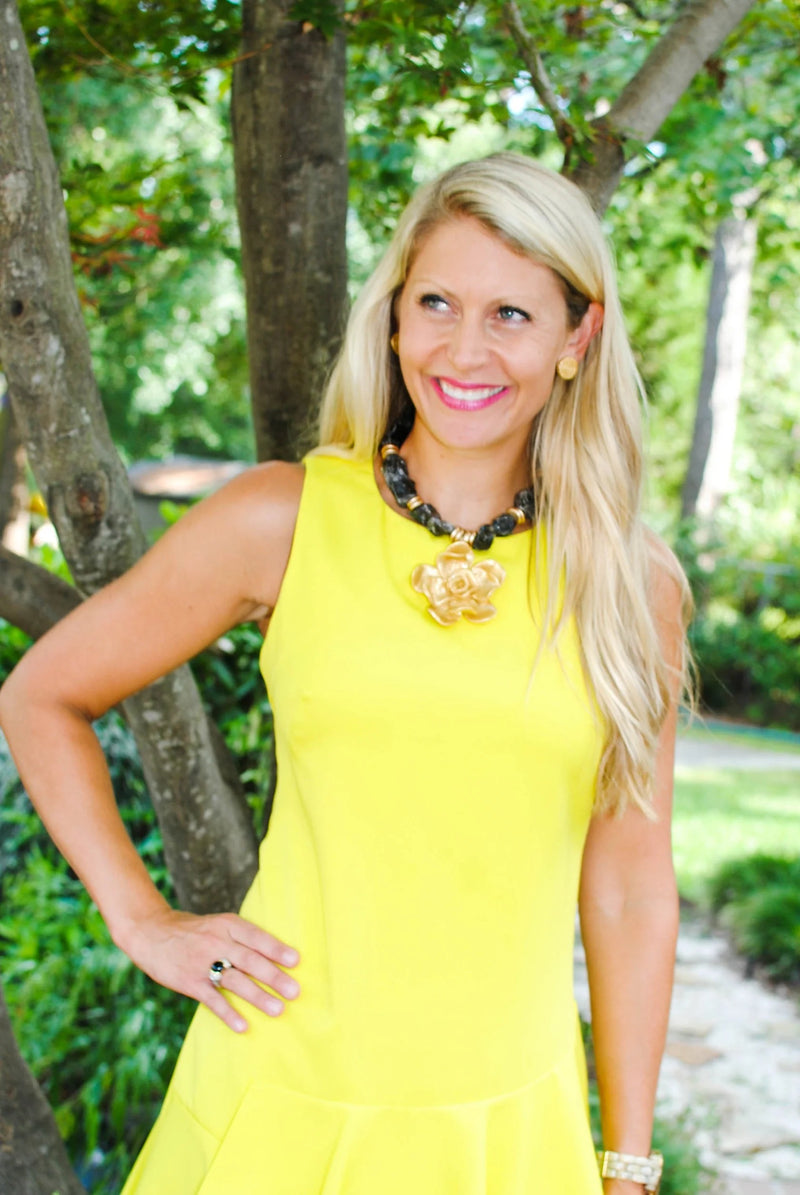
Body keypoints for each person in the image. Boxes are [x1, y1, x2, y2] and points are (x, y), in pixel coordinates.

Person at [0, 152, 691, 1195]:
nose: (464, 348)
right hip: (279, 1090)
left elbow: (632, 885)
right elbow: (39, 694)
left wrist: (626, 1163)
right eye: (437, 304)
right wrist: (141, 918)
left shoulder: (629, 583)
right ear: (395, 319)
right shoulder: (280, 517)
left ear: (574, 338)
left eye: (510, 314)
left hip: (505, 1122)